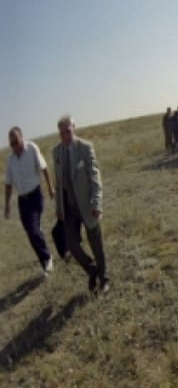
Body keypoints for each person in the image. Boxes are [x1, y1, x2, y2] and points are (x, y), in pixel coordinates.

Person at [53, 115, 109, 294]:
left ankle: (104, 279)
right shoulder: (57, 153)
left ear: (73, 128)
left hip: (87, 205)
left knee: (96, 244)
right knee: (72, 245)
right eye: (62, 133)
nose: (65, 136)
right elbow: (59, 183)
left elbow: (95, 177)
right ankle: (92, 270)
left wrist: (97, 202)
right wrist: (59, 208)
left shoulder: (85, 148)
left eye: (68, 132)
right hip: (69, 209)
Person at [4, 127, 55, 277]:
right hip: (22, 201)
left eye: (16, 141)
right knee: (30, 233)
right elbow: (8, 183)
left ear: (22, 138)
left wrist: (50, 187)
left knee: (33, 230)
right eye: (11, 143)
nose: (14, 146)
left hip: (35, 196)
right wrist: (7, 205)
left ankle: (47, 259)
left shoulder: (32, 148)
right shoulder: (11, 159)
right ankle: (45, 262)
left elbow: (44, 168)